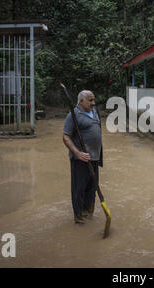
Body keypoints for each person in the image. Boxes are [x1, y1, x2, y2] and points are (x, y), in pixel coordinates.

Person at [63, 90, 103, 224]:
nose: (93, 103)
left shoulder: (95, 111)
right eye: (90, 100)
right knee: (79, 189)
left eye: (93, 100)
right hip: (80, 160)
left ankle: (89, 214)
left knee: (92, 188)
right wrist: (77, 153)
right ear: (80, 101)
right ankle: (79, 218)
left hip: (95, 158)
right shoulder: (73, 116)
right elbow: (66, 137)